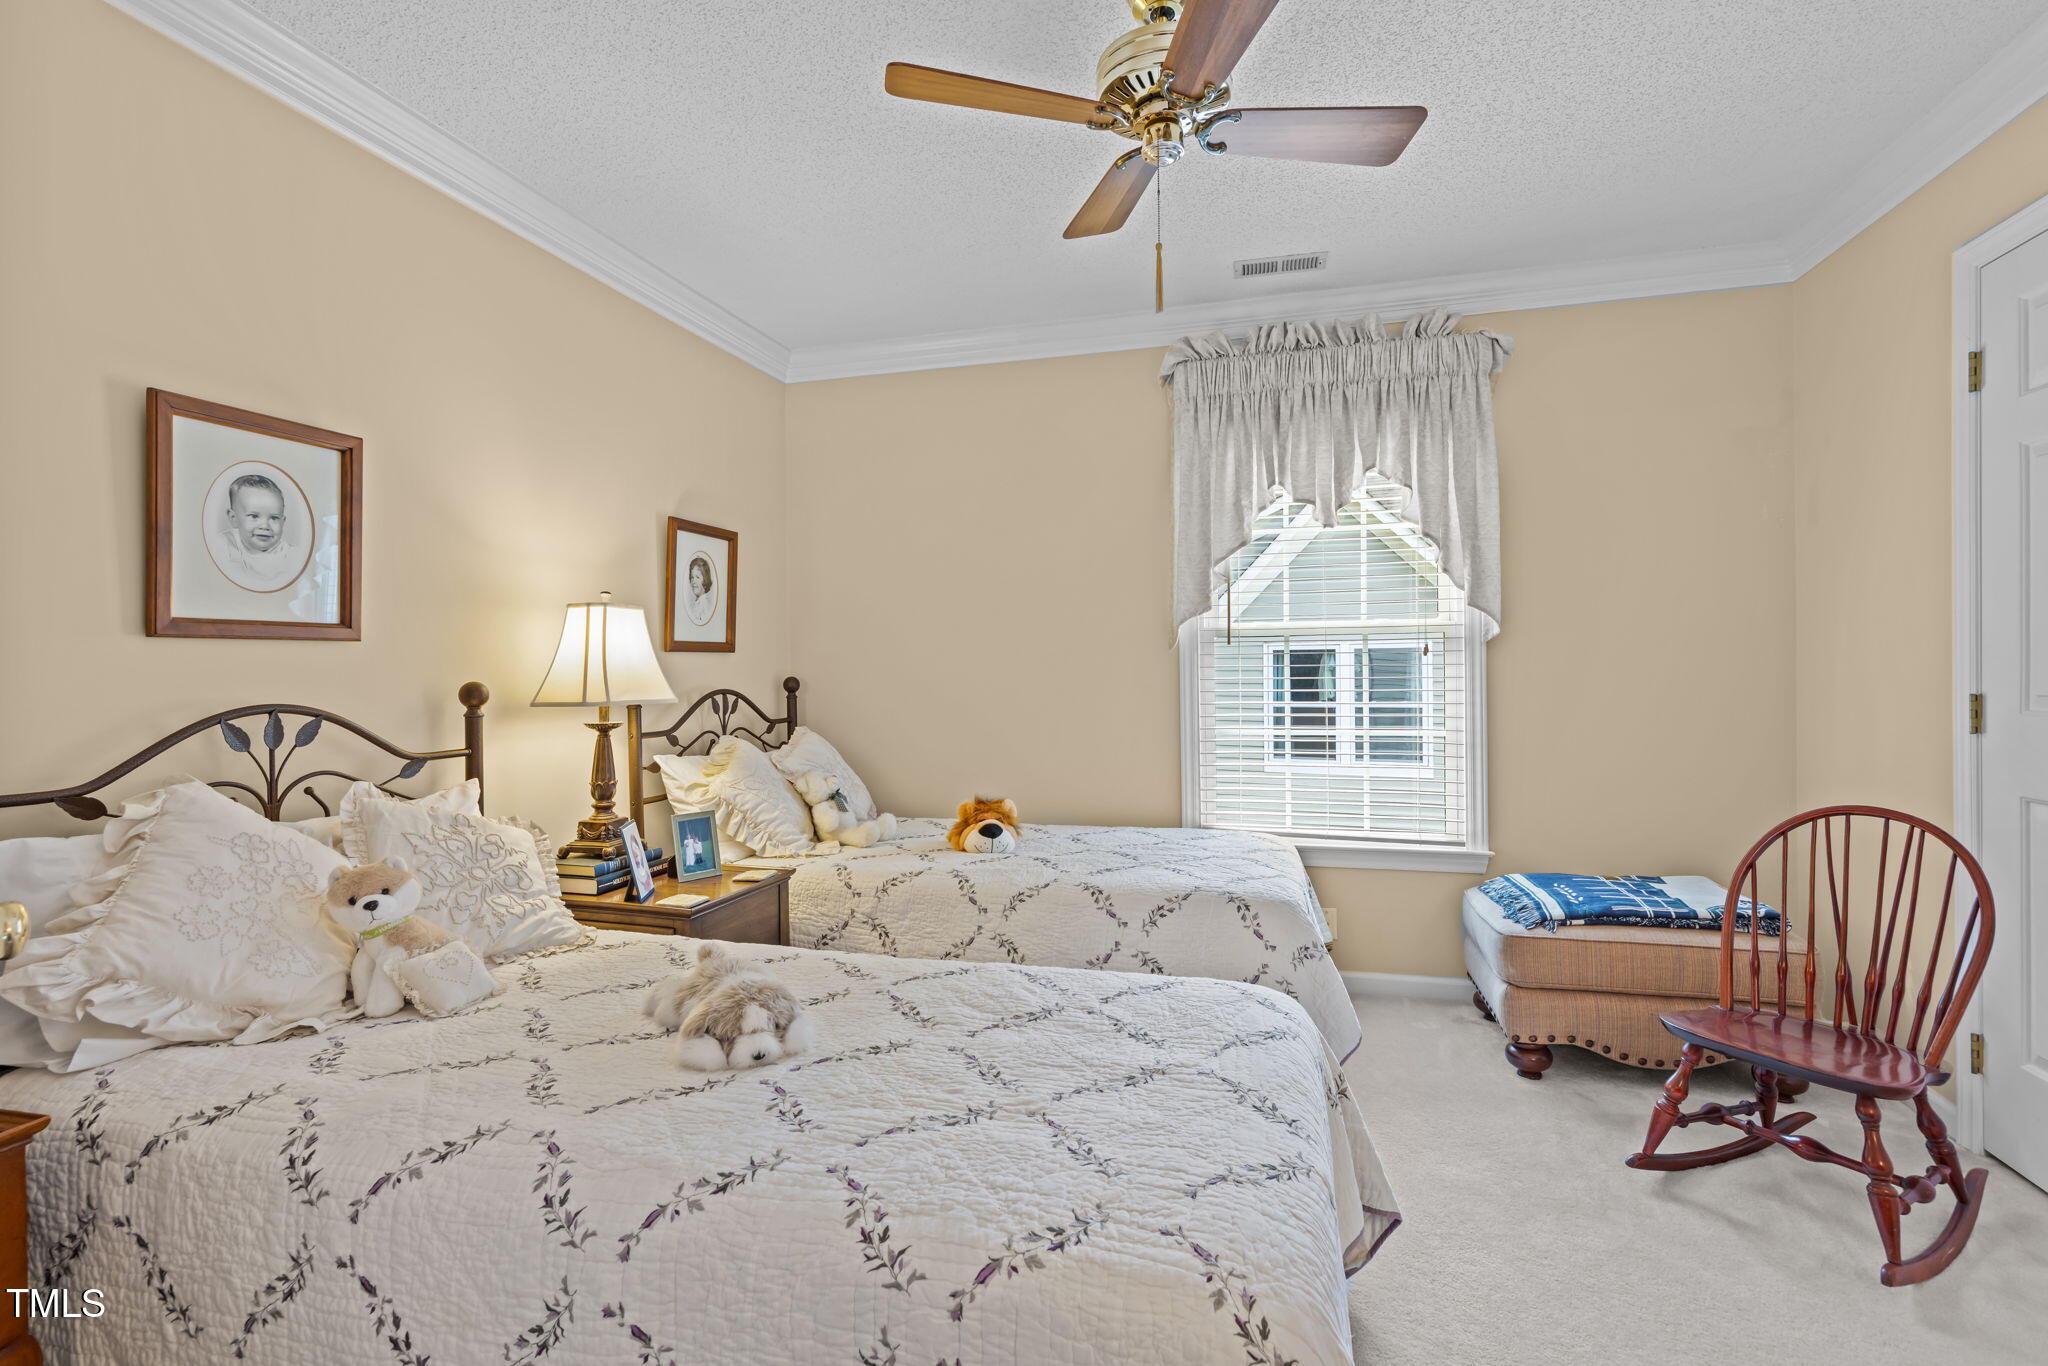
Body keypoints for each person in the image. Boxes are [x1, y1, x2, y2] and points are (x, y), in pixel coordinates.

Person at [209, 472, 304, 591]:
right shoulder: (224, 545)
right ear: (234, 518)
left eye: (274, 518)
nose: (265, 526)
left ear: (283, 521)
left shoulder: (292, 555)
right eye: (254, 516)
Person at [684, 554, 717, 627]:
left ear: (705, 580)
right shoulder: (698, 603)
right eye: (692, 577)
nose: (693, 581)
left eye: (697, 577)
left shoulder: (704, 604)